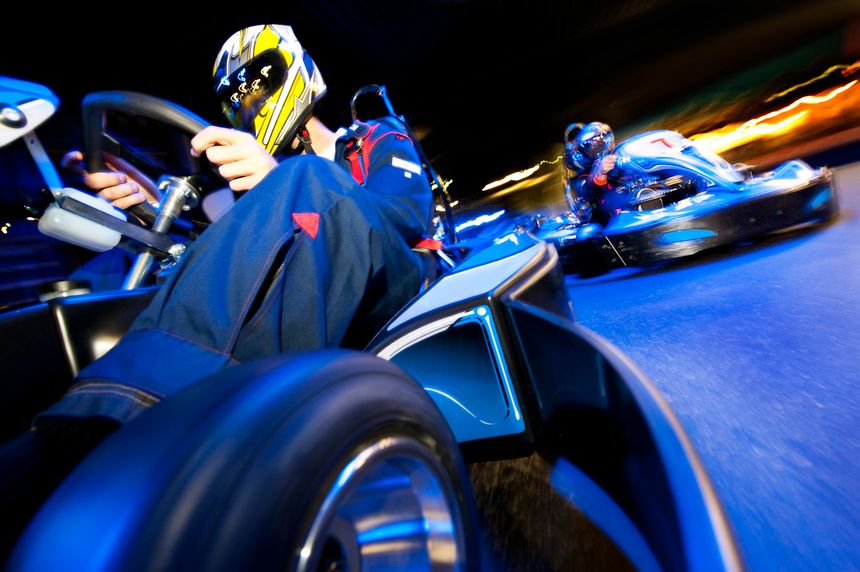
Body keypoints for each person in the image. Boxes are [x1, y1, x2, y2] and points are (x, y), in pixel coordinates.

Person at [1, 23, 434, 560]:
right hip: (314, 277)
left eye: (256, 83)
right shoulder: (268, 184)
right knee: (117, 270)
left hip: (398, 281)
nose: (248, 100)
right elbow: (225, 259)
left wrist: (280, 177)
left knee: (307, 178)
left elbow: (400, 218)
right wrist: (146, 202)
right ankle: (84, 417)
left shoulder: (373, 138)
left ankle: (139, 427)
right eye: (235, 96)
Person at [561, 120, 623, 225]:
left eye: (599, 142)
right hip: (609, 221)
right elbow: (586, 194)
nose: (596, 147)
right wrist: (600, 174)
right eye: (591, 146)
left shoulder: (618, 157)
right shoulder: (581, 179)